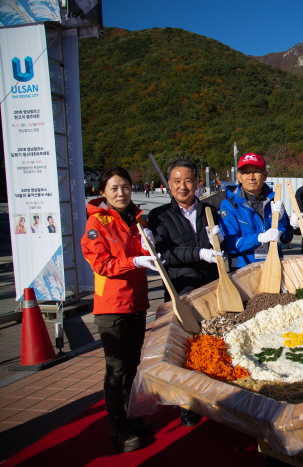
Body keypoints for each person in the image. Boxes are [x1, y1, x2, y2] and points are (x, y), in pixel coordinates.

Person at [81, 167, 159, 453]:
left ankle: (129, 414)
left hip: (137, 303)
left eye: (125, 187)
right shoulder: (97, 223)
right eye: (114, 188)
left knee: (132, 363)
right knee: (116, 367)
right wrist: (135, 262)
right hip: (111, 306)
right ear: (102, 192)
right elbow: (101, 264)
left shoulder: (137, 219)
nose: (121, 193)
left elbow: (146, 250)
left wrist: (151, 250)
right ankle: (116, 423)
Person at [148, 159, 224, 427]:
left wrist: (219, 238)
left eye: (188, 180)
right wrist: (199, 254)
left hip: (211, 288)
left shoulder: (209, 210)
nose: (183, 186)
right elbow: (164, 254)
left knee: (212, 342)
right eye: (177, 181)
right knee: (184, 348)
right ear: (168, 184)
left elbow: (217, 243)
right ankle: (187, 403)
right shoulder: (158, 216)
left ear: (197, 183)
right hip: (181, 291)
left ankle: (213, 395)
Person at [219, 153, 293, 269]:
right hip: (244, 271)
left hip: (273, 268)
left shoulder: (275, 201)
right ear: (239, 176)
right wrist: (259, 238)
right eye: (246, 172)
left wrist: (283, 220)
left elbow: (286, 238)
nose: (251, 177)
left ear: (265, 175)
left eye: (256, 171)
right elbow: (229, 244)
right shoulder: (229, 205)